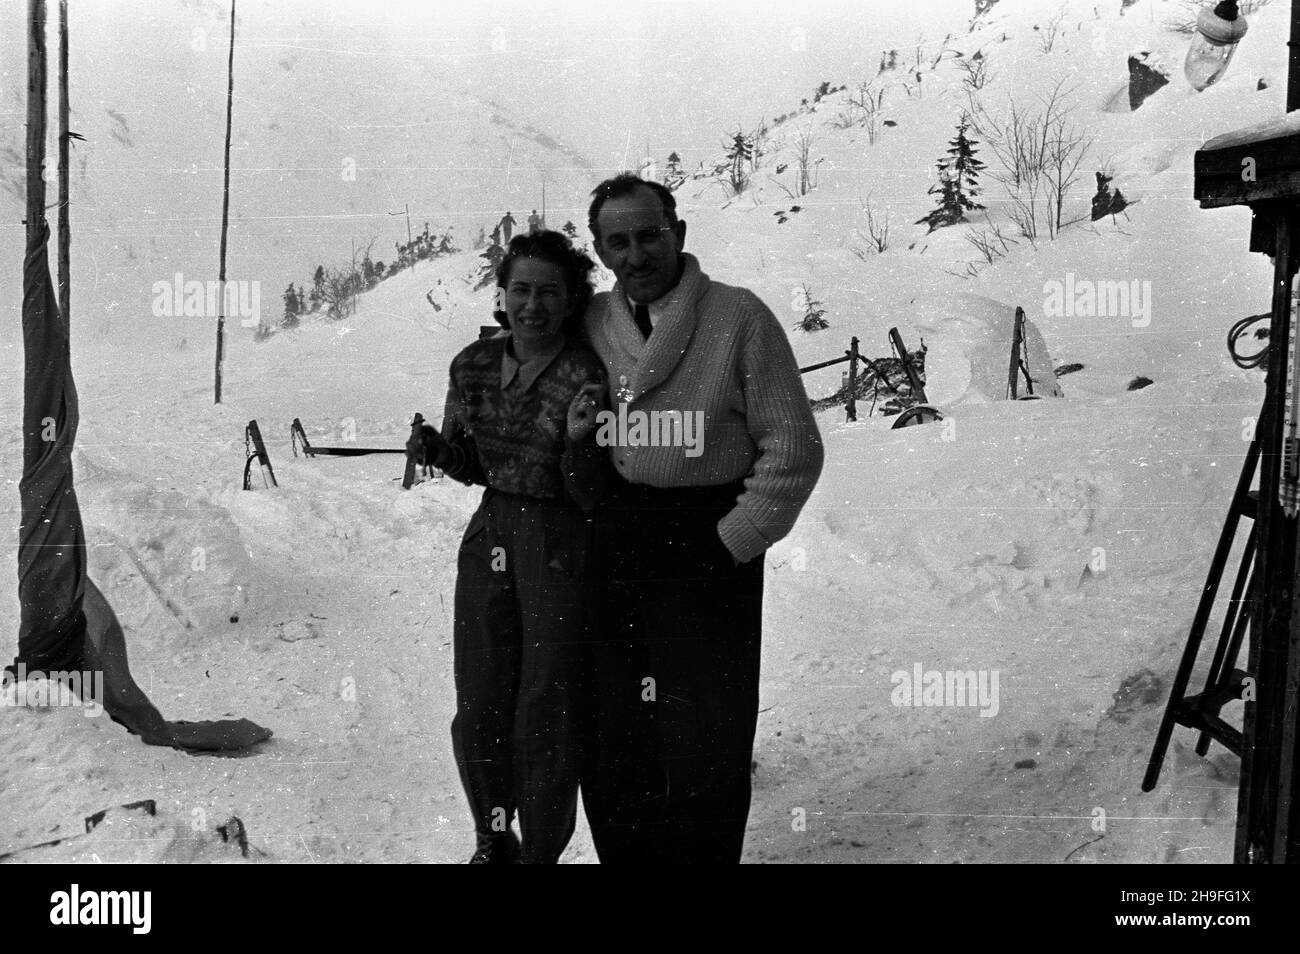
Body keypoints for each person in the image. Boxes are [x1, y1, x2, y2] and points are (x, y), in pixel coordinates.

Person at [580, 173, 824, 863]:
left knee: (706, 731)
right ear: (601, 251)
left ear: (678, 235)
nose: (637, 254)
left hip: (707, 541)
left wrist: (733, 542)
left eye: (649, 234)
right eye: (618, 241)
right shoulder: (596, 322)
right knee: (617, 723)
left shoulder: (739, 317)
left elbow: (794, 446)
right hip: (620, 537)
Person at [407, 230, 607, 864]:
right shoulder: (469, 364)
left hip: (559, 540)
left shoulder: (586, 372)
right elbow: (472, 461)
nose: (533, 305)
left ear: (572, 299)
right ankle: (493, 838)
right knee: (481, 695)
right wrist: (440, 453)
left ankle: (542, 852)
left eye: (550, 291)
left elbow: (591, 489)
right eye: (521, 288)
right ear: (503, 293)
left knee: (545, 700)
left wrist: (580, 443)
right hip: (490, 534)